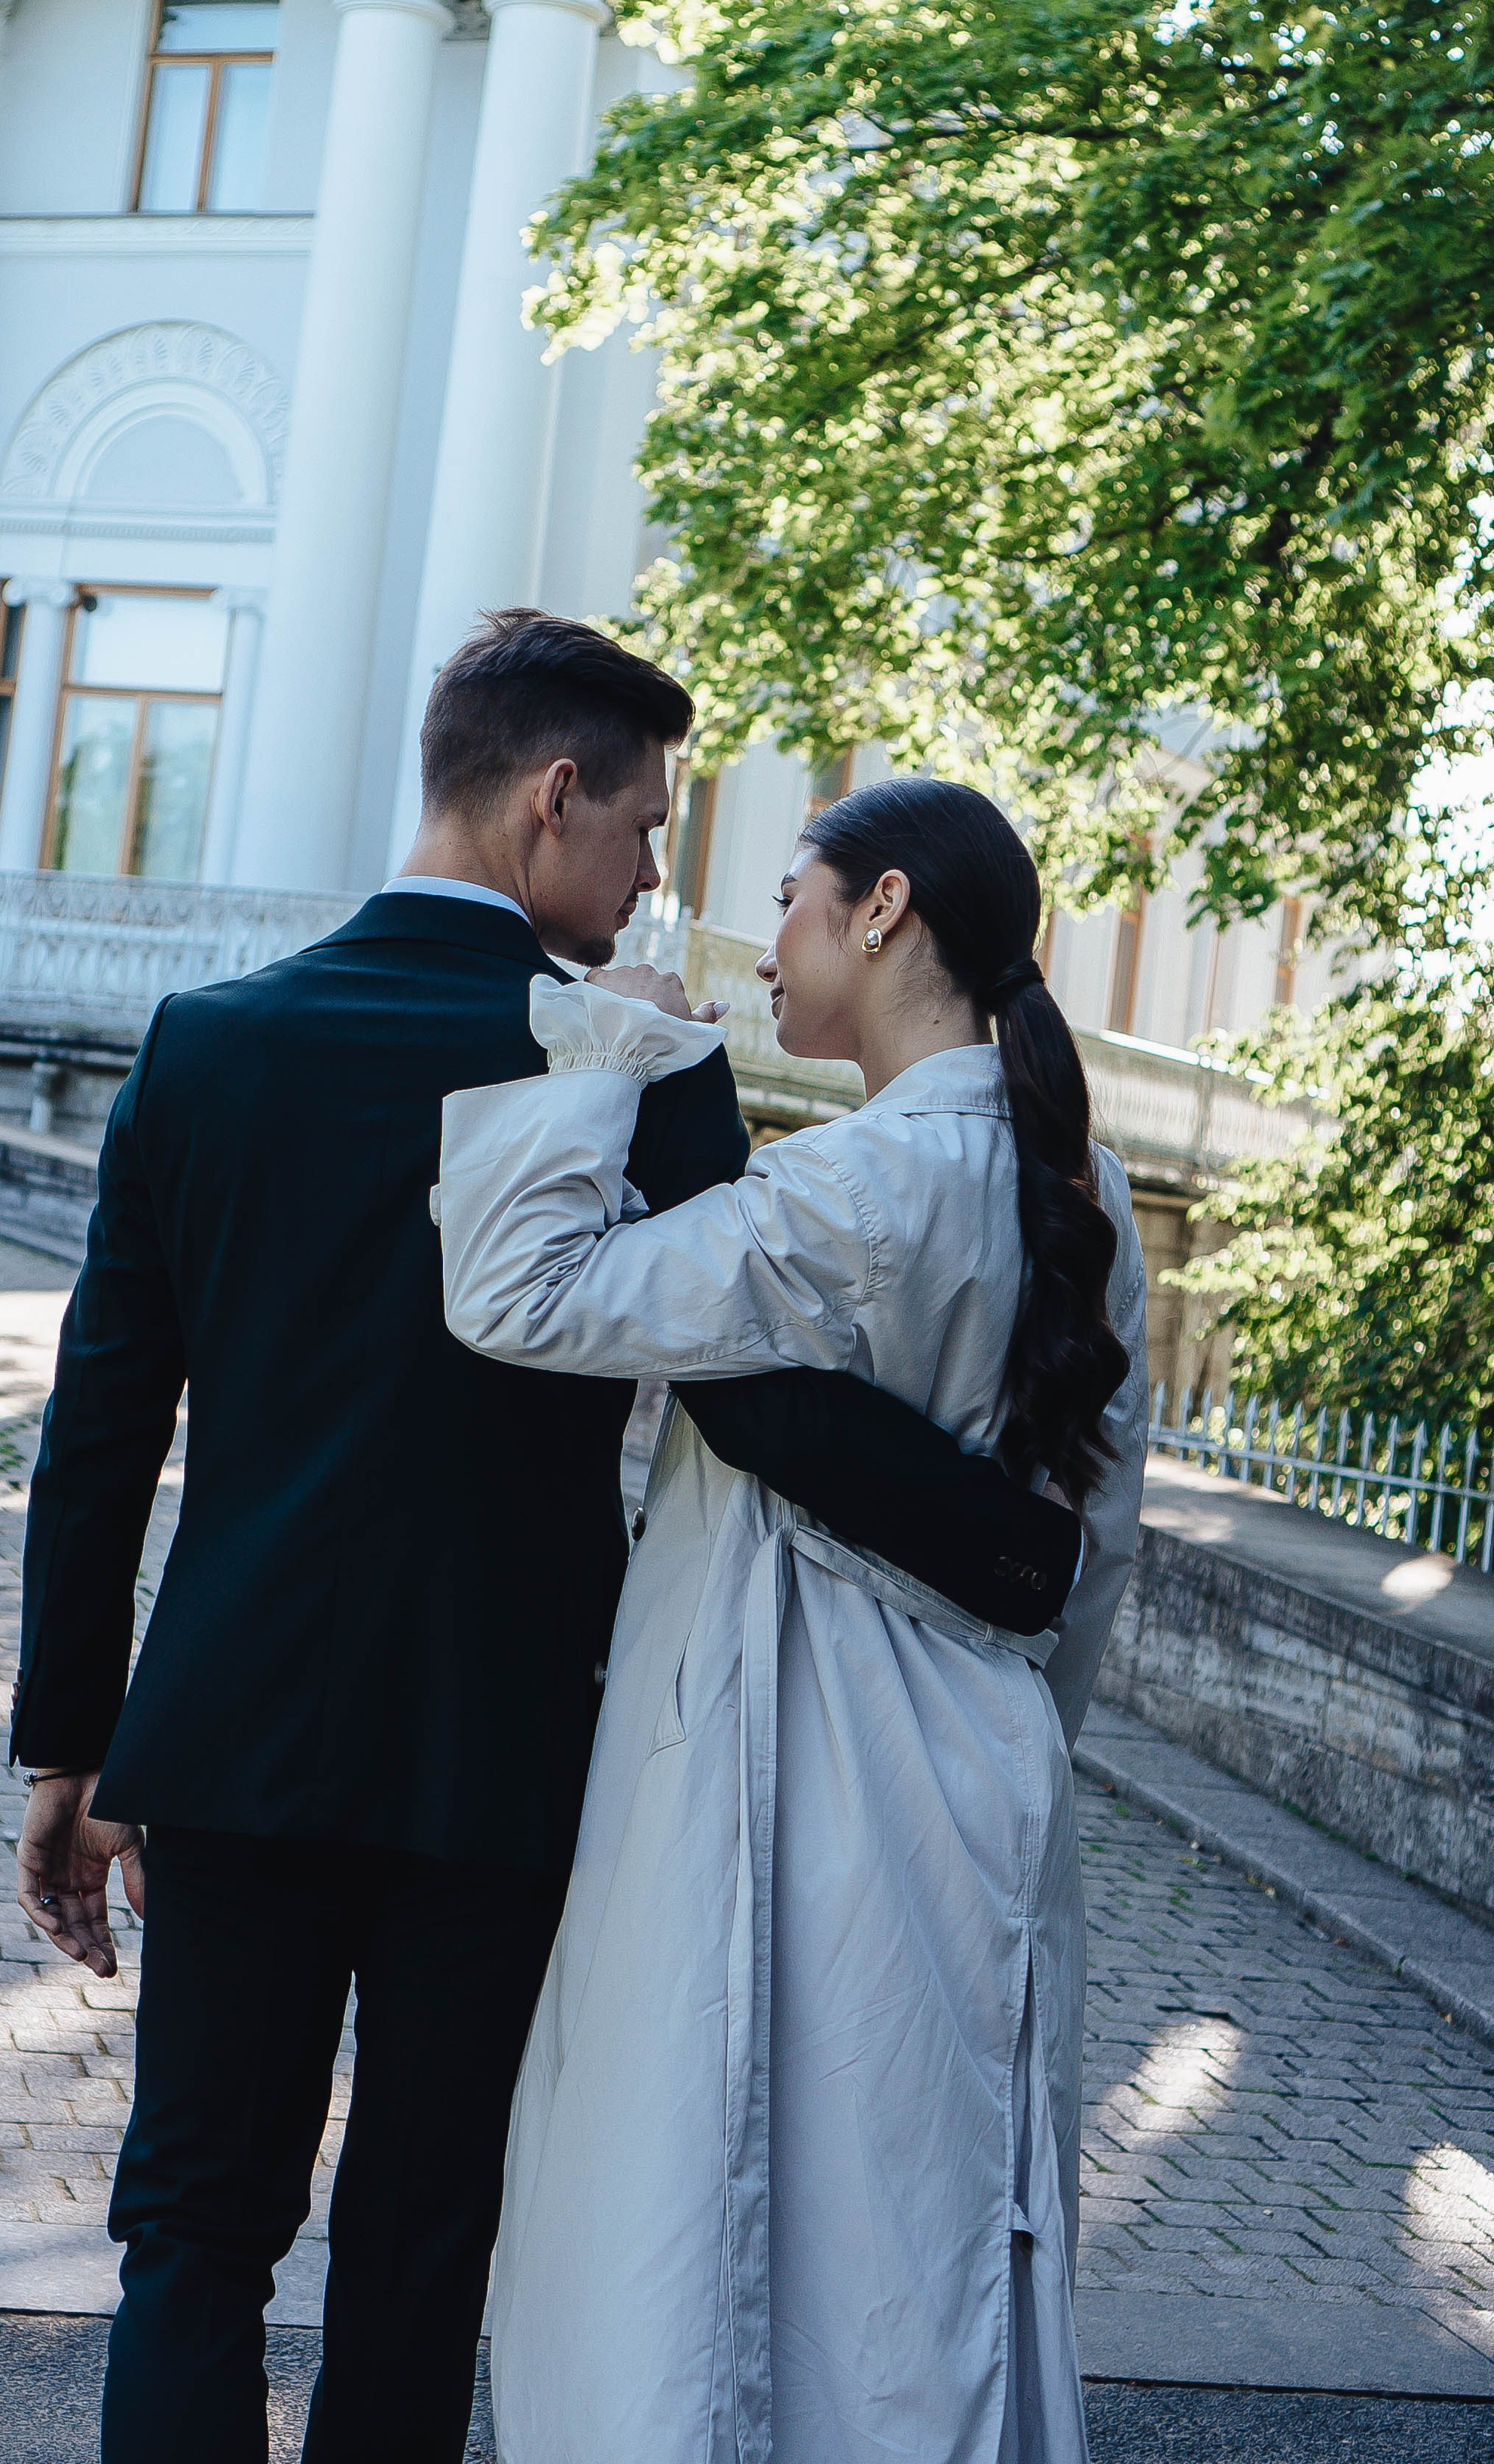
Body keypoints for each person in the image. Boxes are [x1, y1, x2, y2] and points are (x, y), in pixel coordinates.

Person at [9, 618, 1098, 2464]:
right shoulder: (635, 1063)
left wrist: (70, 1741)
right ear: (552, 797)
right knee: (425, 2246)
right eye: (648, 826)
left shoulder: (210, 1043)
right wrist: (1013, 1555)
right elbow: (755, 1400)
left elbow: (100, 1425)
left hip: (229, 1737)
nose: (654, 875)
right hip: (506, 1757)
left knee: (189, 2231)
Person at [437, 773, 1150, 2464]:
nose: (764, 946)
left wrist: (604, 1050)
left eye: (786, 900)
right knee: (935, 2253)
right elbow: (1096, 1543)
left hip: (784, 1756)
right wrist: (1022, 1732)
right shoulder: (1086, 1190)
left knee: (710, 2220)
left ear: (882, 908)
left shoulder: (848, 1191)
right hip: (984, 1773)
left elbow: (516, 1290)